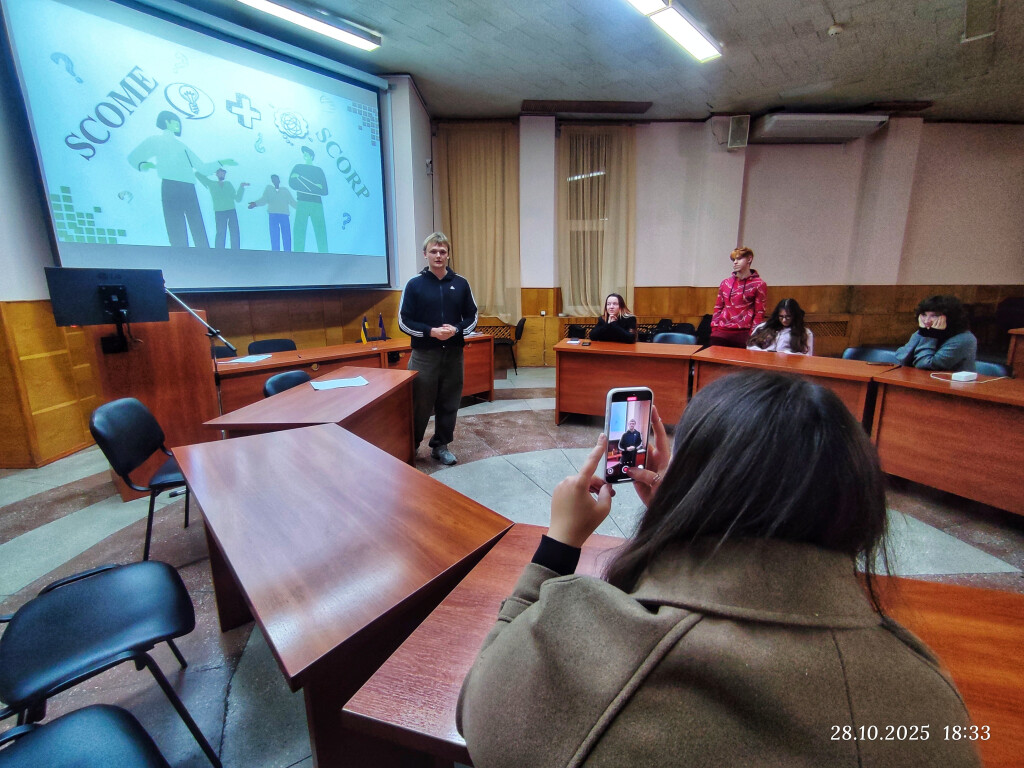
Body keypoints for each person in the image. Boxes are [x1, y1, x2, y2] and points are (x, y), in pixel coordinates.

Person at [458, 371, 981, 768]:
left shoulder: (579, 638)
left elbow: (477, 707)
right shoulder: (928, 705)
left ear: (699, 480)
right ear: (858, 497)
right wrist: (678, 516)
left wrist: (561, 543)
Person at [399, 232, 478, 465]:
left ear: (448, 255)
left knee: (449, 403)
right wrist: (430, 332)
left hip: (453, 355)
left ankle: (440, 446)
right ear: (425, 254)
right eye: (433, 251)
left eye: (443, 251)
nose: (438, 255)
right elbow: (404, 322)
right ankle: (410, 446)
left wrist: (456, 330)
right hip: (424, 356)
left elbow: (472, 317)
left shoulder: (461, 283)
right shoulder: (414, 285)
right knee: (419, 404)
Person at [127, 111, 236, 248]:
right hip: (170, 187)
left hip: (189, 188)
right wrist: (143, 165)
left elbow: (202, 168)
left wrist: (221, 162)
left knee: (199, 231)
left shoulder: (181, 146)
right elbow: (133, 158)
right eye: (175, 121)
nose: (178, 125)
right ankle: (181, 263)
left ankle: (207, 261)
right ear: (166, 122)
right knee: (176, 231)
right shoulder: (154, 141)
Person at [896, 295, 977, 372]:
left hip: (953, 385)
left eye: (934, 316)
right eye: (924, 315)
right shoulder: (927, 330)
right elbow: (901, 357)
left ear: (950, 317)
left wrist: (929, 336)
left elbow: (924, 365)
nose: (927, 321)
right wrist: (923, 333)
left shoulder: (964, 339)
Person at [710, 246, 767, 347]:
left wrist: (752, 334)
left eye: (739, 259)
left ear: (749, 259)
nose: (735, 262)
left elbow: (759, 312)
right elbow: (718, 307)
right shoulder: (725, 283)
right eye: (733, 260)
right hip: (721, 331)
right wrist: (715, 328)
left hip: (743, 333)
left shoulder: (759, 284)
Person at [195, 168, 248, 249]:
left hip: (231, 210)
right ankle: (219, 251)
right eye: (221, 173)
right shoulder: (211, 183)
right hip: (219, 212)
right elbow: (197, 174)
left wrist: (241, 187)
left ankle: (236, 251)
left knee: (234, 232)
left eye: (224, 173)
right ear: (217, 174)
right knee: (220, 232)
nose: (223, 175)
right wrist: (210, 171)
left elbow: (238, 199)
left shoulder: (228, 184)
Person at [289, 146, 329, 253]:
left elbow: (325, 190)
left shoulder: (318, 171)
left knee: (320, 232)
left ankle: (324, 256)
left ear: (311, 156)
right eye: (304, 154)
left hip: (316, 204)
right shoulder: (298, 167)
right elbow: (292, 183)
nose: (304, 155)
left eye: (306, 154)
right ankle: (297, 257)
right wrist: (315, 188)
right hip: (302, 202)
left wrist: (315, 188)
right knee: (299, 231)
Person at [747, 297, 814, 354]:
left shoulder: (804, 332)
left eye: (788, 317)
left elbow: (807, 355)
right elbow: (750, 347)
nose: (784, 320)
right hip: (764, 363)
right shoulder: (763, 327)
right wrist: (765, 352)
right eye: (781, 316)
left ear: (795, 316)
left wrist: (785, 354)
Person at [248, 174, 296, 251]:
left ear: (279, 180)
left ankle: (288, 253)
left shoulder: (285, 190)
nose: (275, 181)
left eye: (276, 179)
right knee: (274, 235)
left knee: (286, 235)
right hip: (273, 215)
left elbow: (292, 202)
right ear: (272, 181)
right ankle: (275, 253)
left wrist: (302, 209)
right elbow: (264, 200)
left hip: (284, 215)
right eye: (273, 179)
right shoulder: (269, 189)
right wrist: (255, 204)